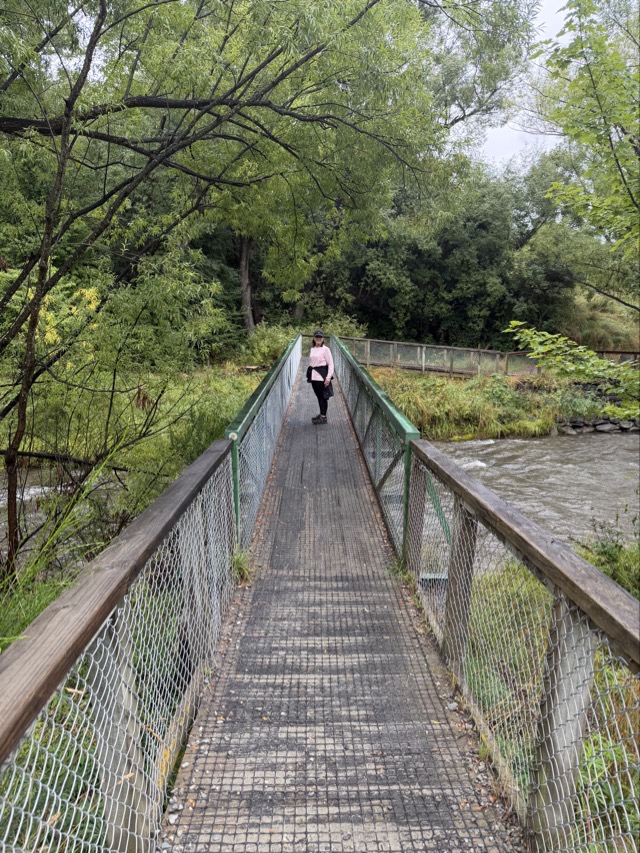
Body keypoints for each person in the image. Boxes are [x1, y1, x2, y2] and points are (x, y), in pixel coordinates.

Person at [308, 330, 334, 425]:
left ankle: (323, 417)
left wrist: (328, 378)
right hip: (313, 376)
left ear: (323, 339)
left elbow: (331, 364)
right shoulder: (312, 348)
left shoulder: (326, 349)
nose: (318, 339)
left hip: (321, 376)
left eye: (320, 337)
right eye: (317, 337)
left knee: (323, 397)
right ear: (314, 338)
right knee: (319, 396)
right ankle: (322, 414)